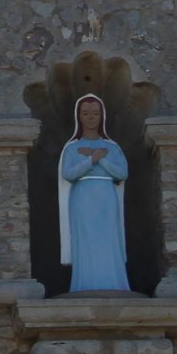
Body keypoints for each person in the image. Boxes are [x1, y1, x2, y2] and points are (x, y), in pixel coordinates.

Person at [57, 92, 130, 293]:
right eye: (86, 113)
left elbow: (122, 173)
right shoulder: (72, 148)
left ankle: (114, 285)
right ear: (79, 116)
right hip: (82, 198)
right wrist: (90, 161)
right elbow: (68, 174)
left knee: (108, 241)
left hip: (106, 196)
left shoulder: (111, 147)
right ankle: (84, 285)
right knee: (87, 242)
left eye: (95, 113)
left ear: (102, 116)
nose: (91, 117)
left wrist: (100, 158)